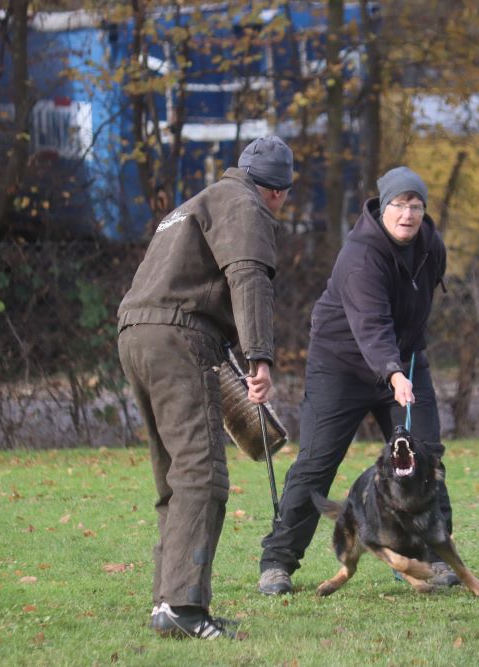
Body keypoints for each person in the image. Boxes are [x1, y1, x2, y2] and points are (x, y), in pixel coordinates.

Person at [117, 136, 293, 639]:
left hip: (136, 334)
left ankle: (165, 604)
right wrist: (259, 355)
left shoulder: (195, 204)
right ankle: (186, 609)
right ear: (278, 192)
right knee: (202, 474)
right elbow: (248, 276)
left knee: (174, 475)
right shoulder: (247, 206)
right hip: (178, 338)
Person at [257, 165, 460, 595]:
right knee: (316, 463)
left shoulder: (430, 246)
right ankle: (277, 563)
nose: (408, 214)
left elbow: (418, 308)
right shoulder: (360, 256)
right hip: (343, 365)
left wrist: (406, 365)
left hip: (402, 361)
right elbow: (371, 325)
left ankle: (431, 557)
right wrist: (391, 373)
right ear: (384, 207)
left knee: (428, 458)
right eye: (400, 205)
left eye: (416, 206)